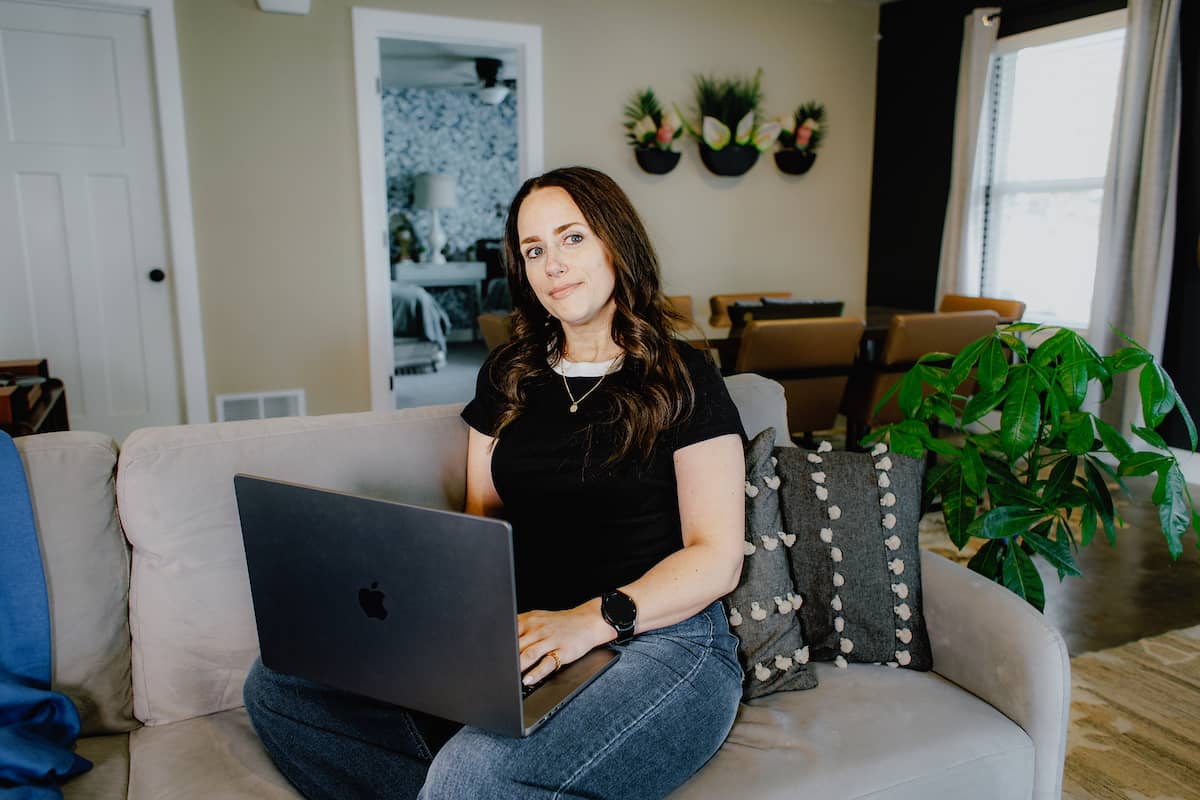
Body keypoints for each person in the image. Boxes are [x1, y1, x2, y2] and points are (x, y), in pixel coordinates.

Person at [243, 166, 747, 799]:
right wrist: (456, 629)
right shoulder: (508, 375)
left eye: (572, 238)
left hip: (656, 639)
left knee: (475, 773)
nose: (553, 265)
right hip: (525, 637)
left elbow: (717, 557)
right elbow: (482, 523)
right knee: (280, 682)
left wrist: (589, 621)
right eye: (534, 250)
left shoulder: (685, 378)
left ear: (616, 242)